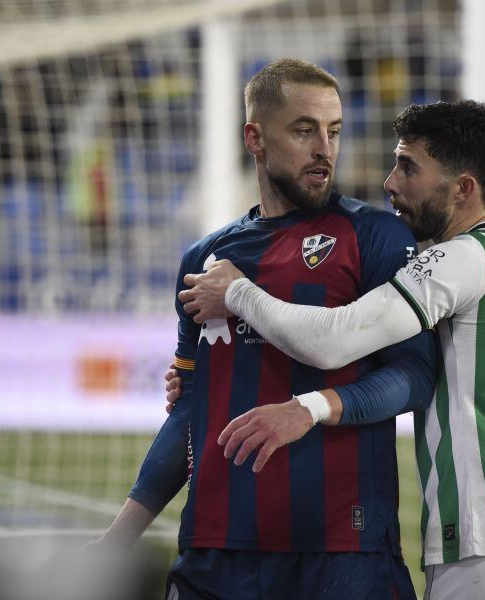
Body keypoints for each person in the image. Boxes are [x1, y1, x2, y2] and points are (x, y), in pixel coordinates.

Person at [179, 101, 485, 600]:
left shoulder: (460, 259)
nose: (390, 183)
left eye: (408, 167)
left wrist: (237, 292)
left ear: (464, 188)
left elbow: (333, 338)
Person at [95, 58, 437, 599]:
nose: (324, 147)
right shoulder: (206, 258)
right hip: (217, 547)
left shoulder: (374, 238)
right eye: (304, 130)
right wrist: (120, 536)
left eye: (334, 131)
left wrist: (311, 408)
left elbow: (415, 377)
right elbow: (190, 411)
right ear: (255, 137)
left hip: (341, 549)